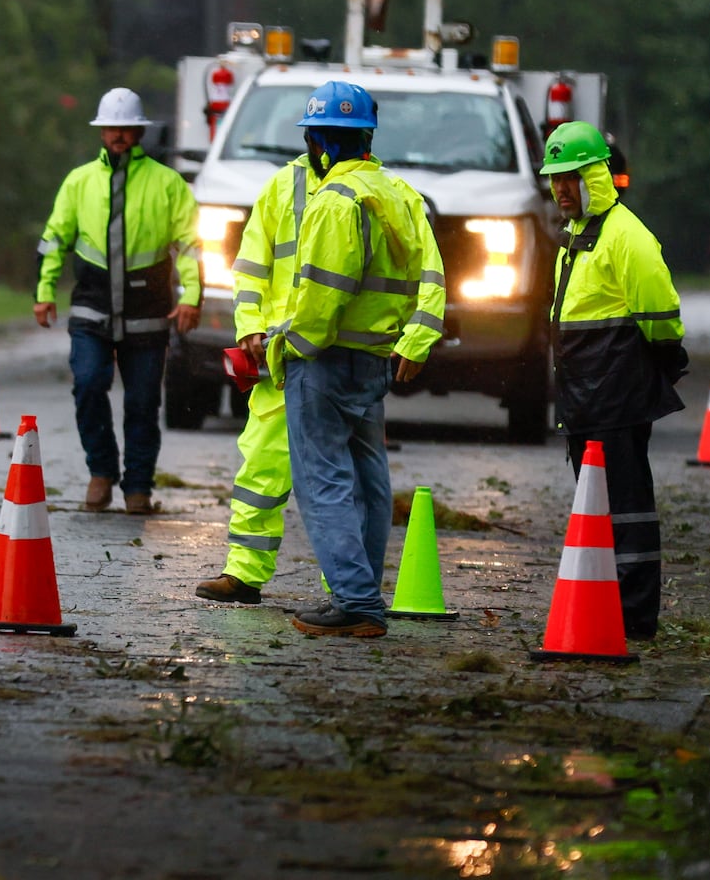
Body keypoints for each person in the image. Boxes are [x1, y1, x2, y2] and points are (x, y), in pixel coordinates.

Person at [194, 141, 444, 605]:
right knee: (264, 469)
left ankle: (345, 592)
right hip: (284, 357)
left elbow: (428, 271)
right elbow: (251, 265)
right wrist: (249, 325)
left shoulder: (385, 192)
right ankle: (246, 573)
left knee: (336, 479)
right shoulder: (286, 188)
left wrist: (416, 338)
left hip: (328, 353)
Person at [263, 81, 425, 638]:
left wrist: (286, 346)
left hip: (326, 361)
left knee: (323, 479)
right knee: (369, 479)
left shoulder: (337, 201)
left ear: (322, 143)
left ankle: (356, 602)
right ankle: (361, 596)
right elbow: (421, 278)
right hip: (373, 360)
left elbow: (321, 295)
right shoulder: (398, 194)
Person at [540, 120, 687, 640]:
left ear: (595, 177)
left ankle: (636, 615)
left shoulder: (627, 237)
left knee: (627, 510)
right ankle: (607, 605)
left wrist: (665, 360)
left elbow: (661, 316)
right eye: (554, 178)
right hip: (585, 400)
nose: (560, 188)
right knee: (598, 510)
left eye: (570, 176)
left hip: (616, 400)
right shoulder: (576, 239)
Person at [35, 87, 201, 515]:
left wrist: (192, 297)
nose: (119, 135)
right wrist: (44, 292)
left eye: (126, 128)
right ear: (101, 132)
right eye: (112, 128)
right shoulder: (79, 181)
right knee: (88, 385)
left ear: (139, 132)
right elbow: (55, 241)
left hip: (148, 311)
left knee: (144, 402)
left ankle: (138, 485)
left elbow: (190, 246)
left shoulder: (168, 184)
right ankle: (101, 471)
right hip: (91, 305)